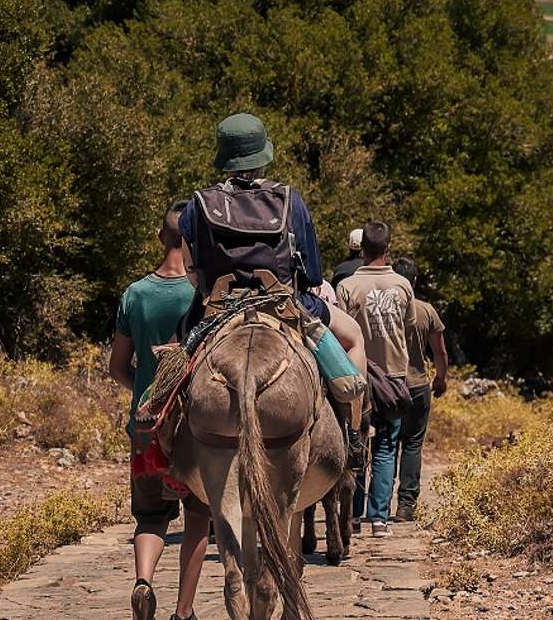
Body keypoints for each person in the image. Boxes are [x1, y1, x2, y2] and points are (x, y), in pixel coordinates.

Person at [178, 112, 366, 404]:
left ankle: (158, 427)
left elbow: (192, 273)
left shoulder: (197, 205)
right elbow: (313, 275)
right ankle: (354, 427)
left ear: (223, 158)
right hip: (284, 304)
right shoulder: (290, 199)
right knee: (354, 335)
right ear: (263, 155)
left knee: (173, 365)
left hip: (216, 307)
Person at [109, 203, 208, 620]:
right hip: (195, 429)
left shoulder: (135, 294)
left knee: (150, 518)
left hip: (146, 428)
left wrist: (147, 395)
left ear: (160, 238)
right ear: (193, 241)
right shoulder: (202, 295)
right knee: (198, 519)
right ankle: (183, 611)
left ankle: (144, 582)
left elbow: (117, 368)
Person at [336, 221, 415, 538]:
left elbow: (339, 333)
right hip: (394, 374)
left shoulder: (348, 286)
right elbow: (407, 329)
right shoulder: (402, 286)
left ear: (362, 249)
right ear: (388, 248)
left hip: (357, 376)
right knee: (386, 446)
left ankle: (352, 517)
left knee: (356, 444)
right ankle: (379, 518)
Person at [392, 257, 448, 522]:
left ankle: (377, 504)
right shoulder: (427, 310)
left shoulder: (385, 309)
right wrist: (441, 378)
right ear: (414, 281)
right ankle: (406, 504)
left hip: (388, 384)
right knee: (412, 444)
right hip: (417, 383)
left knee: (386, 444)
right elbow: (440, 351)